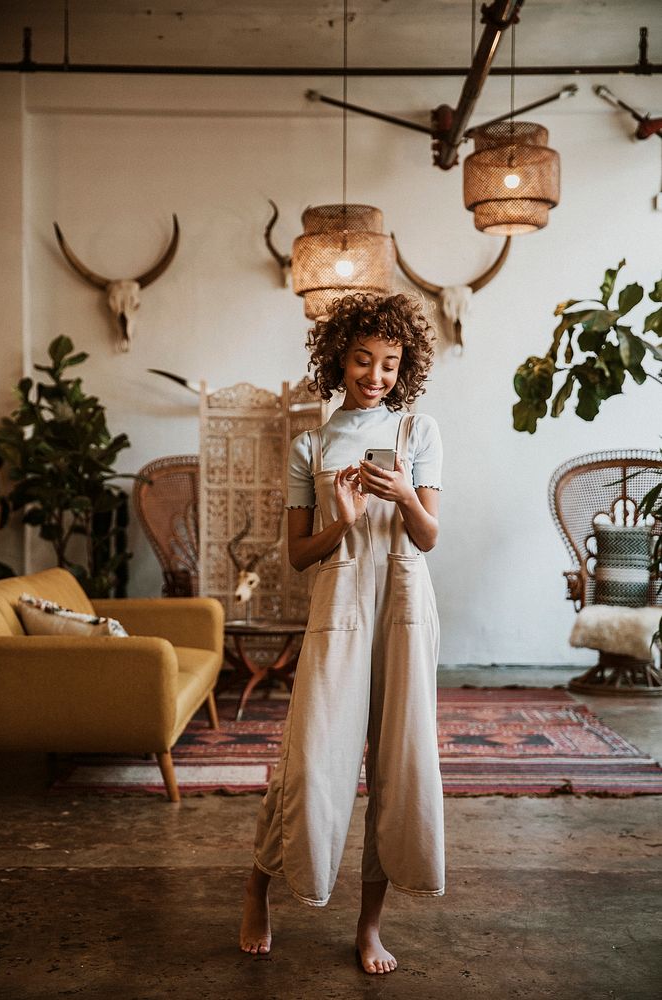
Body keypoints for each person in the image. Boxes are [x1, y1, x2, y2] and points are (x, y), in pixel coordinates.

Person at [239, 292, 444, 975]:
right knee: (309, 762)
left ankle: (369, 927)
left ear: (403, 367)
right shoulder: (311, 443)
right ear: (338, 359)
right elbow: (298, 556)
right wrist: (345, 520)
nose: (376, 375)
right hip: (338, 608)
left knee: (397, 766)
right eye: (362, 359)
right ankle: (259, 888)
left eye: (390, 362)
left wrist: (405, 496)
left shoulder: (420, 433)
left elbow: (427, 536)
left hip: (404, 610)